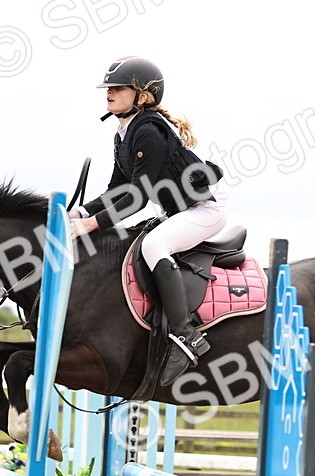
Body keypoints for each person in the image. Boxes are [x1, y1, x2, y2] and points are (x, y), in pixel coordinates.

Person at [70, 56, 228, 387]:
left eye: (118, 88)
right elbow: (117, 191)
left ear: (142, 96)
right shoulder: (124, 133)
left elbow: (137, 199)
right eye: (109, 88)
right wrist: (80, 213)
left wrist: (92, 225)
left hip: (202, 212)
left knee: (154, 245)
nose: (110, 93)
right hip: (178, 213)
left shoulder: (148, 132)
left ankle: (186, 336)